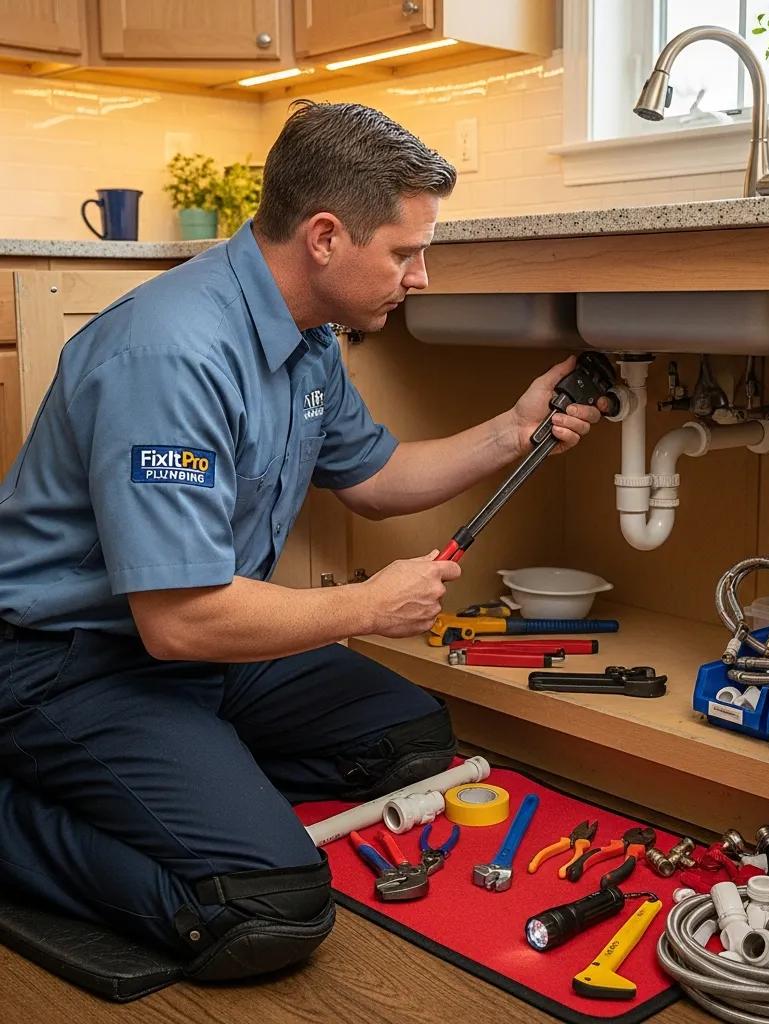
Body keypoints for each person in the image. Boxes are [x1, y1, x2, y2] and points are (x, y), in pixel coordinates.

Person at [0, 100, 601, 981]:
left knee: (410, 745)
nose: (422, 276)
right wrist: (365, 606)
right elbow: (178, 623)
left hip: (197, 653)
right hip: (70, 662)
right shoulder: (175, 355)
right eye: (405, 252)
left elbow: (377, 479)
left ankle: (180, 778)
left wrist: (513, 432)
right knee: (266, 907)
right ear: (325, 237)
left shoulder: (308, 337)